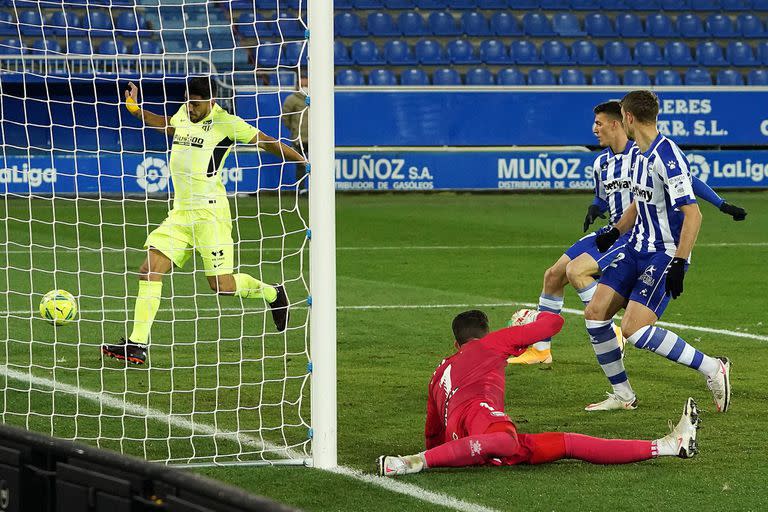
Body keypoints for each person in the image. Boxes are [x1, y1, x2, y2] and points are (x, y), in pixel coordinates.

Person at [509, 101, 747, 367]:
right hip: (614, 229)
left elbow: (687, 181)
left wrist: (721, 203)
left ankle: (612, 332)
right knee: (553, 275)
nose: (594, 129)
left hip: (636, 234)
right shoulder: (601, 164)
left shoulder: (643, 154)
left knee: (577, 272)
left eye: (599, 123)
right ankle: (542, 350)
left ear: (618, 122)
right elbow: (602, 197)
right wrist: (594, 208)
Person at [101, 77, 304, 365]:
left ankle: (273, 293)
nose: (190, 108)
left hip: (210, 215)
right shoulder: (183, 114)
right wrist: (135, 109)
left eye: (195, 103)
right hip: (181, 213)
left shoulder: (227, 123)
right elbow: (166, 125)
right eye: (187, 101)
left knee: (220, 285)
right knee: (149, 270)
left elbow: (267, 142)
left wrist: (303, 161)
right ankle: (137, 344)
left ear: (211, 101)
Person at [378, 309, 701, 476]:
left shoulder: (437, 374)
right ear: (485, 334)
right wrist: (532, 318)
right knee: (506, 440)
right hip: (485, 429)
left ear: (455, 343)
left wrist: (443, 454)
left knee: (567, 443)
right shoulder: (493, 343)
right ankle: (412, 464)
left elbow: (432, 433)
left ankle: (670, 446)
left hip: (468, 441)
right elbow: (554, 324)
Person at [582, 90, 730, 412]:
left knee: (632, 329)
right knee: (595, 314)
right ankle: (623, 395)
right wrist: (615, 230)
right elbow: (640, 200)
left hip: (663, 253)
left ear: (630, 118)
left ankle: (713, 368)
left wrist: (679, 262)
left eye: (622, 116)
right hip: (635, 246)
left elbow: (693, 214)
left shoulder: (667, 156)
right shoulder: (637, 152)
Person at [282, 76, 309, 192]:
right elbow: (285, 118)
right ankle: (302, 189)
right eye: (302, 85)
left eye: (307, 85)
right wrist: (294, 130)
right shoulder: (291, 100)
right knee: (300, 164)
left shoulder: (317, 98)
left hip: (315, 139)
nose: (305, 87)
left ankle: (316, 189)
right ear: (297, 85)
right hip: (299, 138)